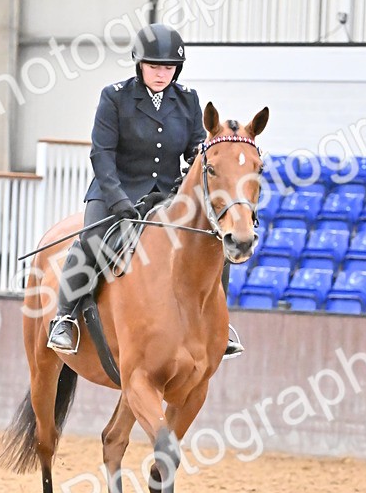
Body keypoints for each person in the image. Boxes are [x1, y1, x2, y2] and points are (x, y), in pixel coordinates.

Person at [47, 23, 243, 358]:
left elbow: (196, 149)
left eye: (168, 68)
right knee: (91, 241)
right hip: (115, 191)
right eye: (154, 66)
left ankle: (217, 326)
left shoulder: (188, 100)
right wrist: (119, 200)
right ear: (140, 64)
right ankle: (64, 317)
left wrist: (198, 168)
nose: (161, 73)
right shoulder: (115, 96)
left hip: (166, 195)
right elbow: (102, 154)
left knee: (212, 244)